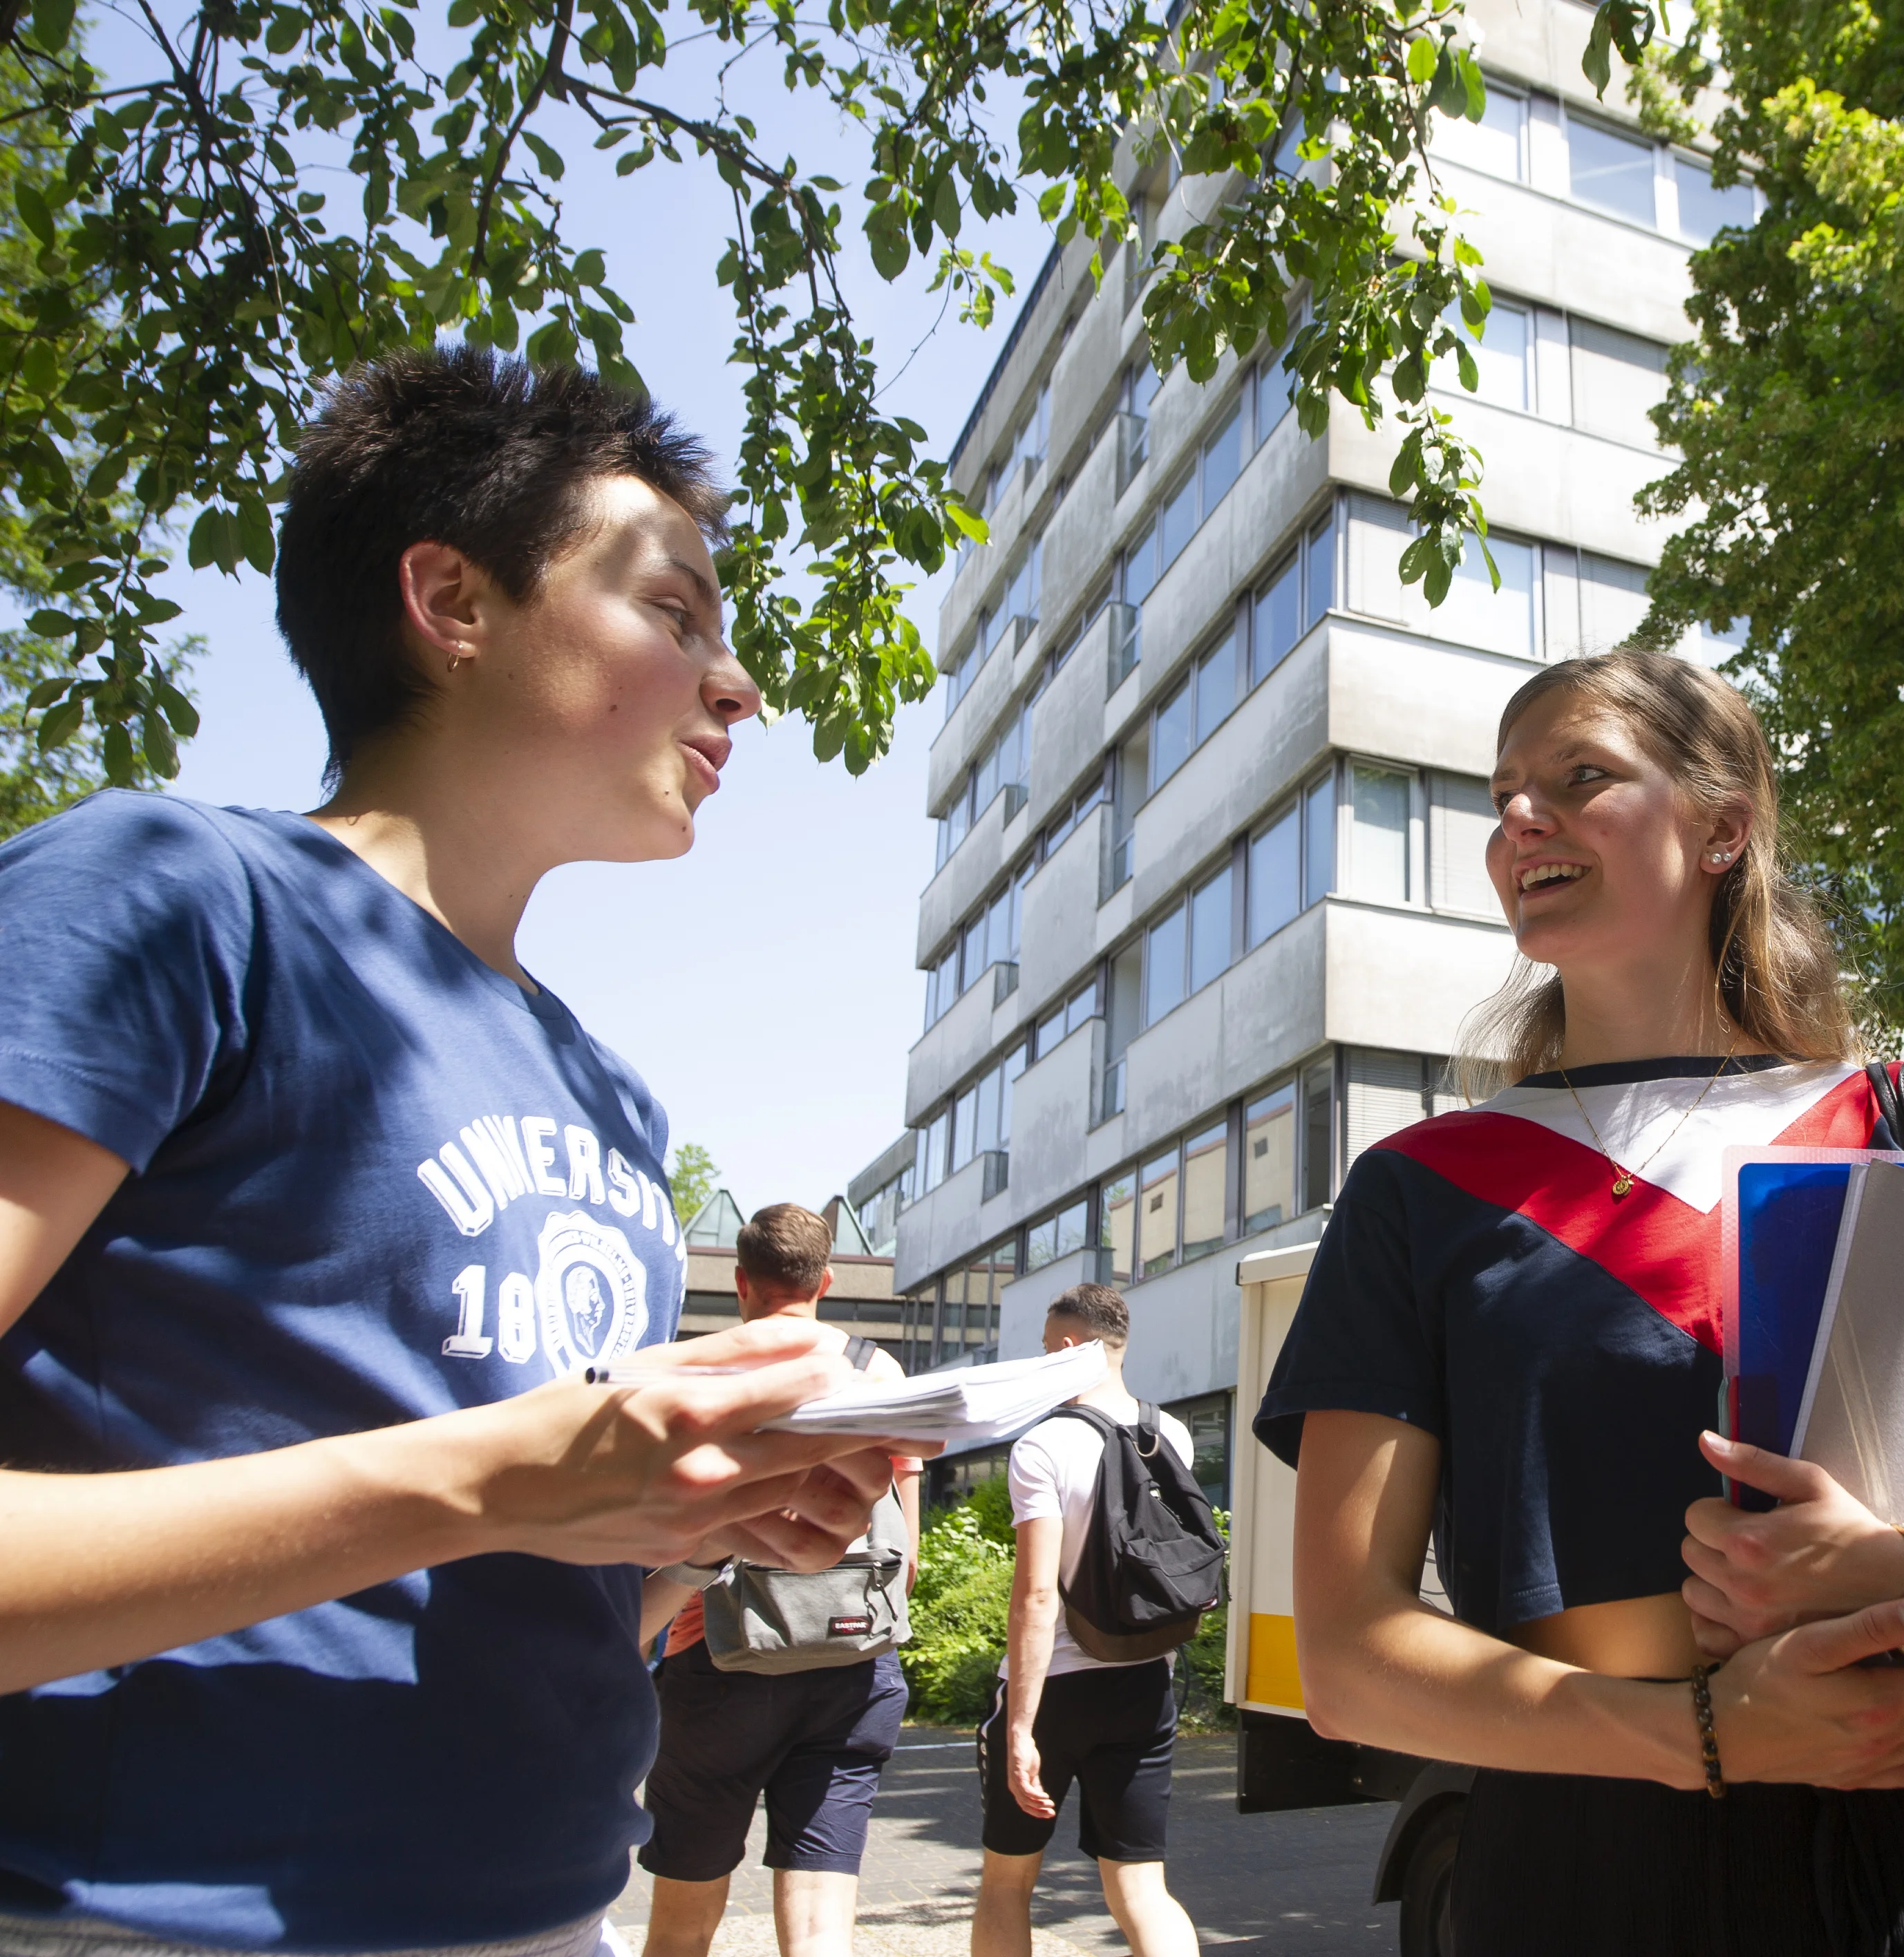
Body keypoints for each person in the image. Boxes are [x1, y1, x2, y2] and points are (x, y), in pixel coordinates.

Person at [0, 349, 903, 1957]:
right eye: (678, 612)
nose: (740, 682)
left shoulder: (613, 1099)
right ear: (453, 599)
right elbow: (473, 1490)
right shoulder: (170, 895)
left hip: (552, 1914)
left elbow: (527, 1569)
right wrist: (490, 1473)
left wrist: (696, 1518)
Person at [1252, 648, 1904, 1955]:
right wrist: (1707, 1733)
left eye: (1578, 776)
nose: (1516, 821)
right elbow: (1352, 1660)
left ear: (1724, 827)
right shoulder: (1419, 1194)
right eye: (1501, 794)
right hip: (1590, 1885)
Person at [637, 1202, 924, 1957]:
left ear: (740, 1282)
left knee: (681, 1921)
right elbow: (907, 1548)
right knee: (822, 1924)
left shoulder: (703, 1373)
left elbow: (665, 1533)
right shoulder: (877, 1371)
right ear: (826, 1279)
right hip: (854, 1662)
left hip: (719, 1663)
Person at [972, 1284, 1200, 1957]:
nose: (1041, 1362)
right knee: (1141, 1892)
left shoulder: (1042, 1446)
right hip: (1144, 1684)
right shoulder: (1172, 1434)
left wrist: (1018, 1725)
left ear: (1070, 1350)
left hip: (1055, 1686)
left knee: (1007, 1884)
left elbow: (1036, 1596)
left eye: (1046, 1351)